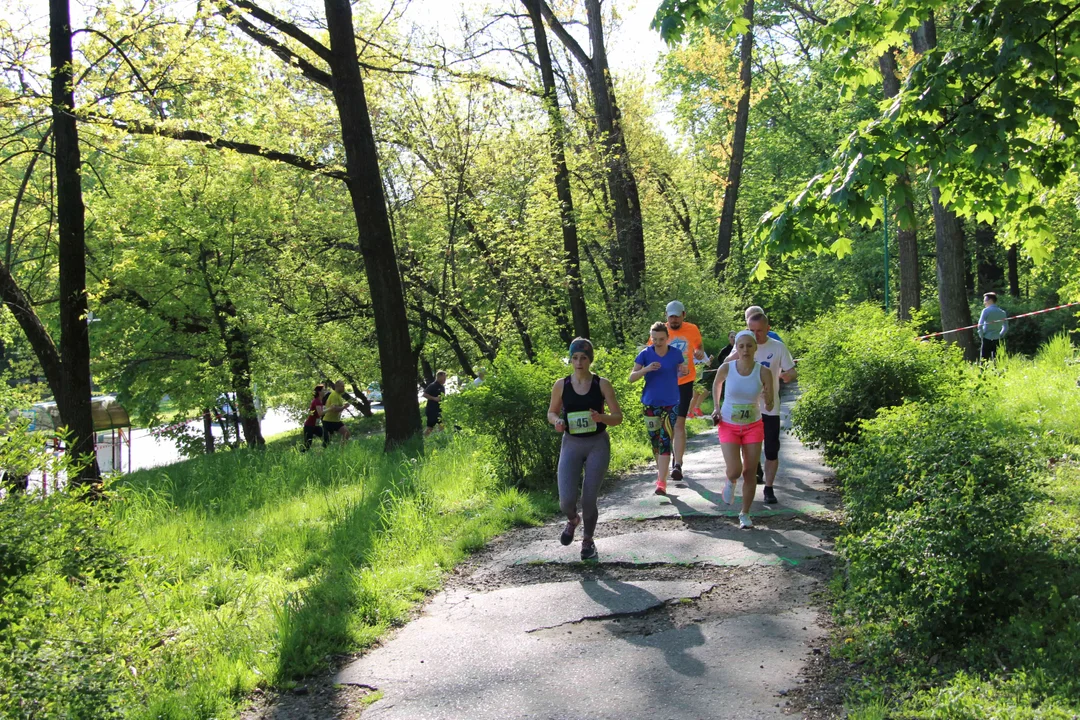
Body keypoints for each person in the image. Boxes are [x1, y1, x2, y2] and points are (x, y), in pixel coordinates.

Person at [547, 338, 623, 561]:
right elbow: (551, 412)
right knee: (566, 501)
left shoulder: (602, 384)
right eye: (575, 358)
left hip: (597, 444)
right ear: (570, 359)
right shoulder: (562, 385)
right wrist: (556, 421)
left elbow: (618, 417)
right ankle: (572, 520)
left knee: (589, 499)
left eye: (584, 358)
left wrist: (602, 417)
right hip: (571, 443)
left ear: (590, 360)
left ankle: (588, 540)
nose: (579, 362)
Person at [712, 330, 774, 529]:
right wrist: (716, 407)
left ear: (756, 348)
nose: (745, 350)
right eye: (741, 346)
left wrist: (767, 398)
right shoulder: (727, 368)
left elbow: (771, 405)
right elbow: (716, 384)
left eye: (749, 346)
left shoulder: (763, 372)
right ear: (736, 348)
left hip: (753, 426)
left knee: (750, 472)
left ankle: (745, 513)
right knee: (735, 470)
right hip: (729, 425)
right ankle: (730, 481)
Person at [647, 301, 706, 481]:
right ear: (666, 315)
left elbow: (699, 347)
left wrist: (699, 353)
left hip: (685, 382)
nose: (673, 320)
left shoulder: (692, 329)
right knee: (665, 426)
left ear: (683, 315)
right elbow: (649, 351)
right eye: (670, 316)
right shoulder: (660, 332)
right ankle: (665, 460)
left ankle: (677, 464)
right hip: (664, 384)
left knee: (679, 424)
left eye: (677, 316)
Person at [743, 312, 796, 503]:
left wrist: (787, 376)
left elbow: (792, 371)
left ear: (768, 329)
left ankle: (769, 488)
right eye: (751, 330)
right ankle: (755, 469)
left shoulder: (778, 347)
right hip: (747, 407)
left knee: (772, 449)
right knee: (749, 449)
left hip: (769, 407)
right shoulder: (743, 346)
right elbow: (728, 366)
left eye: (759, 331)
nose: (755, 335)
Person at [630, 321, 687, 495]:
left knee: (665, 440)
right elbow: (632, 377)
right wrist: (646, 369)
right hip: (650, 403)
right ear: (651, 338)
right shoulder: (645, 354)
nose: (658, 342)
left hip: (671, 403)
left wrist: (682, 370)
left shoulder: (676, 354)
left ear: (667, 338)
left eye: (661, 339)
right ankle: (661, 473)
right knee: (655, 442)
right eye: (654, 339)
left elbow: (680, 370)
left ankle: (661, 483)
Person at [978, 292, 1008, 360]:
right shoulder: (1002, 312)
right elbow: (1006, 327)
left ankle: (984, 371)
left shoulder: (985, 311)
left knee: (984, 360)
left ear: (990, 300)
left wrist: (981, 334)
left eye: (985, 300)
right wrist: (1000, 335)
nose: (984, 303)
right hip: (997, 338)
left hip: (986, 338)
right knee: (997, 360)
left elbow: (980, 325)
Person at [301, 383, 328, 451]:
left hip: (315, 426)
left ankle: (322, 451)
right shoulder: (317, 401)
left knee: (326, 437)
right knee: (307, 446)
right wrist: (330, 409)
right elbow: (320, 413)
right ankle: (301, 455)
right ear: (319, 392)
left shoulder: (320, 401)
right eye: (323, 390)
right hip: (309, 426)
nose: (325, 391)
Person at [423, 371, 447, 436]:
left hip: (439, 409)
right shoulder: (432, 385)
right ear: (439, 377)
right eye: (444, 378)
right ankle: (423, 438)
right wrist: (434, 398)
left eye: (445, 378)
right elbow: (425, 394)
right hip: (431, 409)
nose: (445, 380)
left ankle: (441, 439)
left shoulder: (442, 387)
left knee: (442, 424)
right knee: (430, 427)